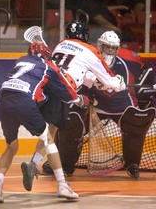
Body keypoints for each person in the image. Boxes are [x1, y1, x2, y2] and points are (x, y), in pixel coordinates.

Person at [43, 30, 156, 178]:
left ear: (118, 48)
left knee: (137, 122)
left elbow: (146, 73)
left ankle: (132, 164)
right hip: (95, 107)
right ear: (99, 45)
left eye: (113, 47)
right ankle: (62, 164)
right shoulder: (89, 57)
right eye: (106, 47)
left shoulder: (130, 59)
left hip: (122, 107)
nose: (109, 50)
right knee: (71, 120)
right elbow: (80, 81)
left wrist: (155, 86)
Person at [20, 21, 127, 191]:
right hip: (62, 89)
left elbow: (76, 68)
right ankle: (60, 182)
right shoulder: (91, 50)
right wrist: (118, 83)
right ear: (86, 34)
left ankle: (33, 164)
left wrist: (94, 81)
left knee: (50, 131)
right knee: (51, 134)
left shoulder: (61, 45)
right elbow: (109, 80)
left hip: (44, 87)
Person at [0, 39, 82, 203]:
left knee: (11, 147)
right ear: (46, 56)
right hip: (23, 101)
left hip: (4, 101)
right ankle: (62, 185)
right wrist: (79, 99)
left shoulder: (20, 61)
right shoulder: (48, 66)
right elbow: (67, 93)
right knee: (48, 140)